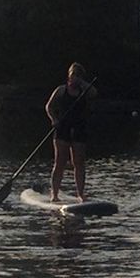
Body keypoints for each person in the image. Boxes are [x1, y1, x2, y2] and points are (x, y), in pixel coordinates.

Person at [45, 62, 96, 203]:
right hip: (62, 128)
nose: (75, 78)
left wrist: (82, 83)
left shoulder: (85, 91)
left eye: (78, 76)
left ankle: (80, 194)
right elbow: (49, 106)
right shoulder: (61, 90)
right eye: (73, 75)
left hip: (79, 128)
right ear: (69, 75)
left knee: (79, 162)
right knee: (60, 161)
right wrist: (54, 119)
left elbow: (94, 92)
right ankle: (54, 194)